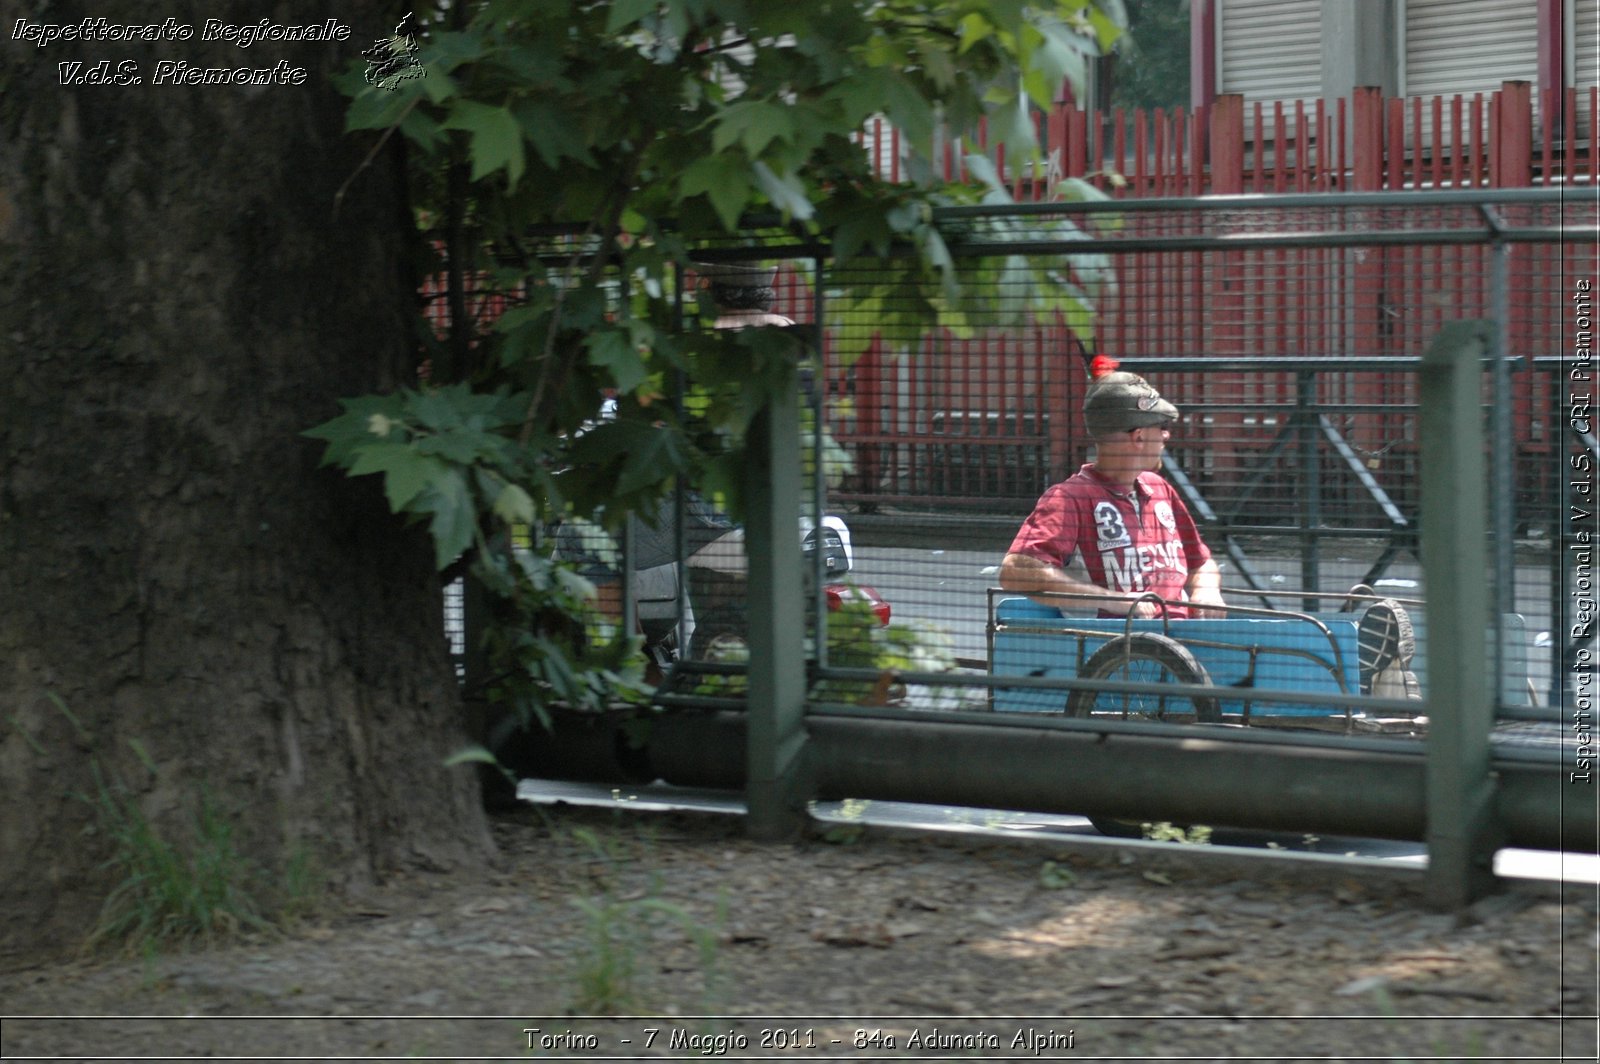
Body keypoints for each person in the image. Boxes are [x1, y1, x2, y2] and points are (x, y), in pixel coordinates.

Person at [999, 357, 1226, 619]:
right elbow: (1016, 570)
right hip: (1115, 647)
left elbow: (1200, 562)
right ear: (1138, 436)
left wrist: (1206, 591)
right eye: (1161, 427)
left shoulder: (1159, 489)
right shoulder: (1070, 498)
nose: (1166, 435)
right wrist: (1112, 600)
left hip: (1180, 643)